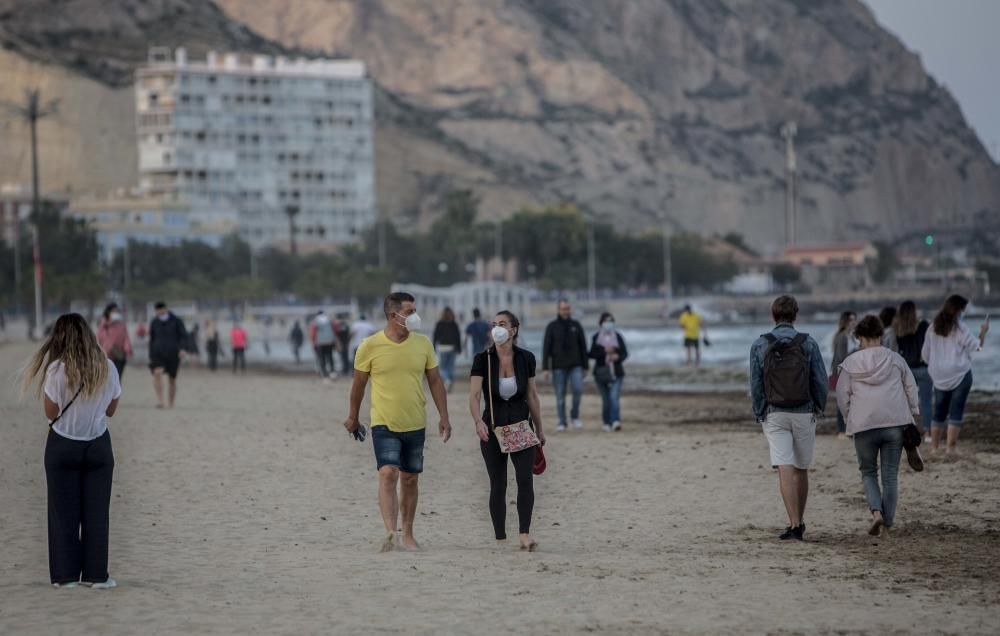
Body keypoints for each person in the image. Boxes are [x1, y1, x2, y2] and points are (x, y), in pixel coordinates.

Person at [343, 292, 452, 552]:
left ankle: (409, 533)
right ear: (394, 316)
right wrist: (353, 417)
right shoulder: (369, 346)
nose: (415, 315)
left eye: (415, 310)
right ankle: (391, 532)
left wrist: (444, 416)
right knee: (388, 473)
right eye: (410, 311)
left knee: (410, 479)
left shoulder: (423, 344)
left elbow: (435, 380)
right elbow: (358, 384)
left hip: (415, 421)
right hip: (384, 422)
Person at [22, 313, 121, 589]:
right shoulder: (108, 367)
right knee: (97, 514)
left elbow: (50, 412)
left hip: (63, 445)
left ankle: (66, 577)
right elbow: (111, 410)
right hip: (98, 445)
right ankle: (96, 576)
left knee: (63, 514)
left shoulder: (56, 370)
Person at [750, 295, 828, 540]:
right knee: (801, 468)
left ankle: (793, 523)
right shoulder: (809, 343)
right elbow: (819, 379)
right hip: (804, 411)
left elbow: (755, 383)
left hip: (774, 411)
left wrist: (760, 410)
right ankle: (801, 521)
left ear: (774, 315)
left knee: (784, 466)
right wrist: (819, 406)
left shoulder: (760, 344)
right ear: (795, 315)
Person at [836, 315, 921, 536]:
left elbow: (841, 395)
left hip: (863, 426)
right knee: (890, 475)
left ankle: (876, 514)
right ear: (880, 335)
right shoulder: (895, 359)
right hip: (894, 424)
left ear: (859, 337)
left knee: (868, 473)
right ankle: (889, 522)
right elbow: (911, 387)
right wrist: (913, 412)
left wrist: (848, 418)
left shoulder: (850, 363)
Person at [469, 310, 545, 550]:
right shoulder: (483, 358)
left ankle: (524, 534)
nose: (497, 329)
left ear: (514, 330)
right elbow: (474, 395)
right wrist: (477, 422)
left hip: (521, 426)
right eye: (494, 324)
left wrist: (539, 429)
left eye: (502, 324)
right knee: (498, 483)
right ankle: (500, 538)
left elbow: (532, 395)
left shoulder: (526, 358)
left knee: (525, 481)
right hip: (492, 427)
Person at [921, 295, 989, 453]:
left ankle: (934, 448)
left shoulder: (932, 328)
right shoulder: (960, 328)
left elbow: (925, 355)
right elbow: (977, 347)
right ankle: (950, 449)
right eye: (963, 309)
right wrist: (983, 331)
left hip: (938, 377)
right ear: (958, 310)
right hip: (960, 374)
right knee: (956, 410)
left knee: (939, 411)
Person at [542, 299, 589, 432]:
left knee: (578, 390)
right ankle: (562, 421)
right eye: (563, 309)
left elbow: (583, 346)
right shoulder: (551, 326)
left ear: (570, 310)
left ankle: (575, 417)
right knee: (560, 396)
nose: (565, 311)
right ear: (558, 310)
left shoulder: (576, 325)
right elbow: (546, 347)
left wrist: (585, 366)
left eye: (567, 308)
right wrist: (546, 368)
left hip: (576, 365)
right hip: (558, 367)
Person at [893, 301, 933, 442]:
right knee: (926, 402)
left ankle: (905, 431)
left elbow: (898, 349)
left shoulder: (897, 328)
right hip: (923, 368)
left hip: (906, 369)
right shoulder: (923, 326)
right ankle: (928, 433)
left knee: (904, 403)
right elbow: (929, 345)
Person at [589, 312, 628, 432]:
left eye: (611, 321)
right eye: (606, 321)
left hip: (616, 372)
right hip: (601, 373)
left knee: (614, 397)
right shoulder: (596, 337)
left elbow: (625, 353)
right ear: (601, 323)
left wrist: (617, 357)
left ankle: (615, 421)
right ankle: (606, 422)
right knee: (606, 399)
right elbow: (591, 354)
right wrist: (604, 351)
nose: (609, 323)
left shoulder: (618, 336)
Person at [148, 302, 187, 409]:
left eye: (161, 309)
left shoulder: (177, 321)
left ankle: (171, 402)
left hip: (173, 353)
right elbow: (152, 339)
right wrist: (151, 354)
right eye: (157, 310)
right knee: (157, 372)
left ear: (165, 309)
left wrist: (182, 349)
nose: (159, 312)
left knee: (172, 379)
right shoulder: (154, 322)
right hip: (157, 353)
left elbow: (183, 336)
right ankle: (160, 401)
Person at [829, 311, 857, 439]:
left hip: (850, 372)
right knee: (843, 402)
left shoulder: (851, 336)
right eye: (851, 320)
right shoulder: (842, 336)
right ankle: (841, 431)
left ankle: (848, 430)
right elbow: (841, 357)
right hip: (842, 373)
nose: (854, 322)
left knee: (850, 402)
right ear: (845, 321)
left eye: (855, 320)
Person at [96, 303, 132, 379]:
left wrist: (128, 350)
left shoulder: (121, 324)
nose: (115, 313)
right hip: (107, 356)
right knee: (108, 378)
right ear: (108, 312)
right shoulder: (103, 324)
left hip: (120, 355)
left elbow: (126, 338)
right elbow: (100, 338)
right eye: (113, 311)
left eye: (117, 311)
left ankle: (117, 391)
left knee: (118, 378)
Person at [433, 307, 462, 392]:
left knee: (442, 368)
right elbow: (458, 337)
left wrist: (434, 347)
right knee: (450, 368)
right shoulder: (454, 324)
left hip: (442, 348)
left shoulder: (439, 324)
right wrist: (459, 348)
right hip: (452, 348)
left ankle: (447, 381)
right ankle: (449, 385)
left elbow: (435, 336)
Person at [310, 310, 337, 380]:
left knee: (322, 358)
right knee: (330, 357)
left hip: (320, 342)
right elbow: (334, 330)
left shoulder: (315, 321)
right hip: (330, 341)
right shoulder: (329, 320)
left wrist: (313, 342)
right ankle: (332, 372)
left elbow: (313, 333)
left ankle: (324, 374)